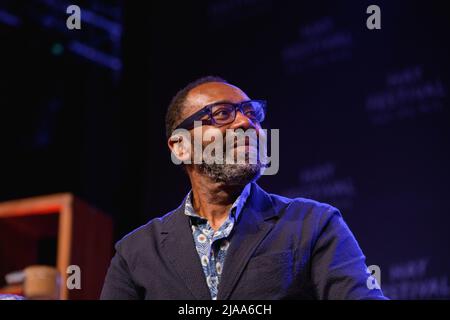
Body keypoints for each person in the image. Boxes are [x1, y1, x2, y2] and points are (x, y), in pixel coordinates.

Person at [100, 76, 386, 300]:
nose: (245, 122)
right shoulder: (135, 252)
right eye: (222, 114)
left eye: (252, 113)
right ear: (181, 146)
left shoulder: (313, 224)